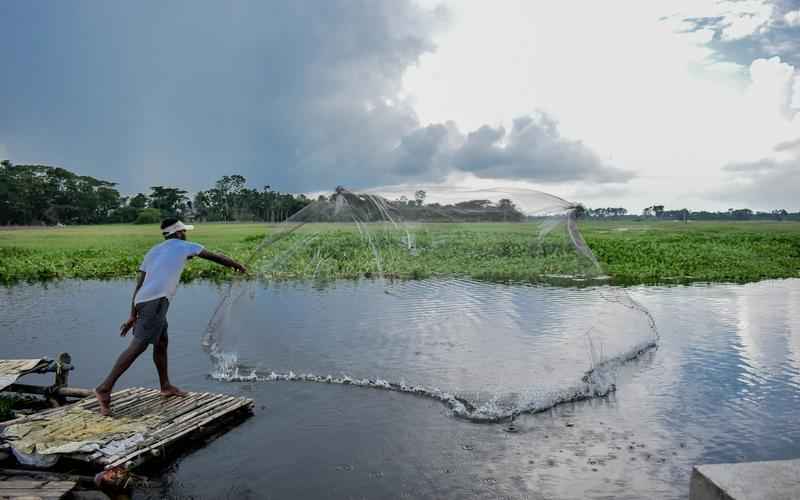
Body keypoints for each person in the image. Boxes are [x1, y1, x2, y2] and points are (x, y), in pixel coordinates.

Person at [94, 218, 247, 416]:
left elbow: (140, 284)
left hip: (145, 301)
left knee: (162, 341)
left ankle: (165, 386)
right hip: (156, 303)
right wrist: (238, 266)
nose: (186, 234)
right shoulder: (185, 246)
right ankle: (105, 388)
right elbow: (214, 257)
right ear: (179, 233)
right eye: (184, 231)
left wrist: (133, 314)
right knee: (138, 345)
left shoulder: (154, 251)